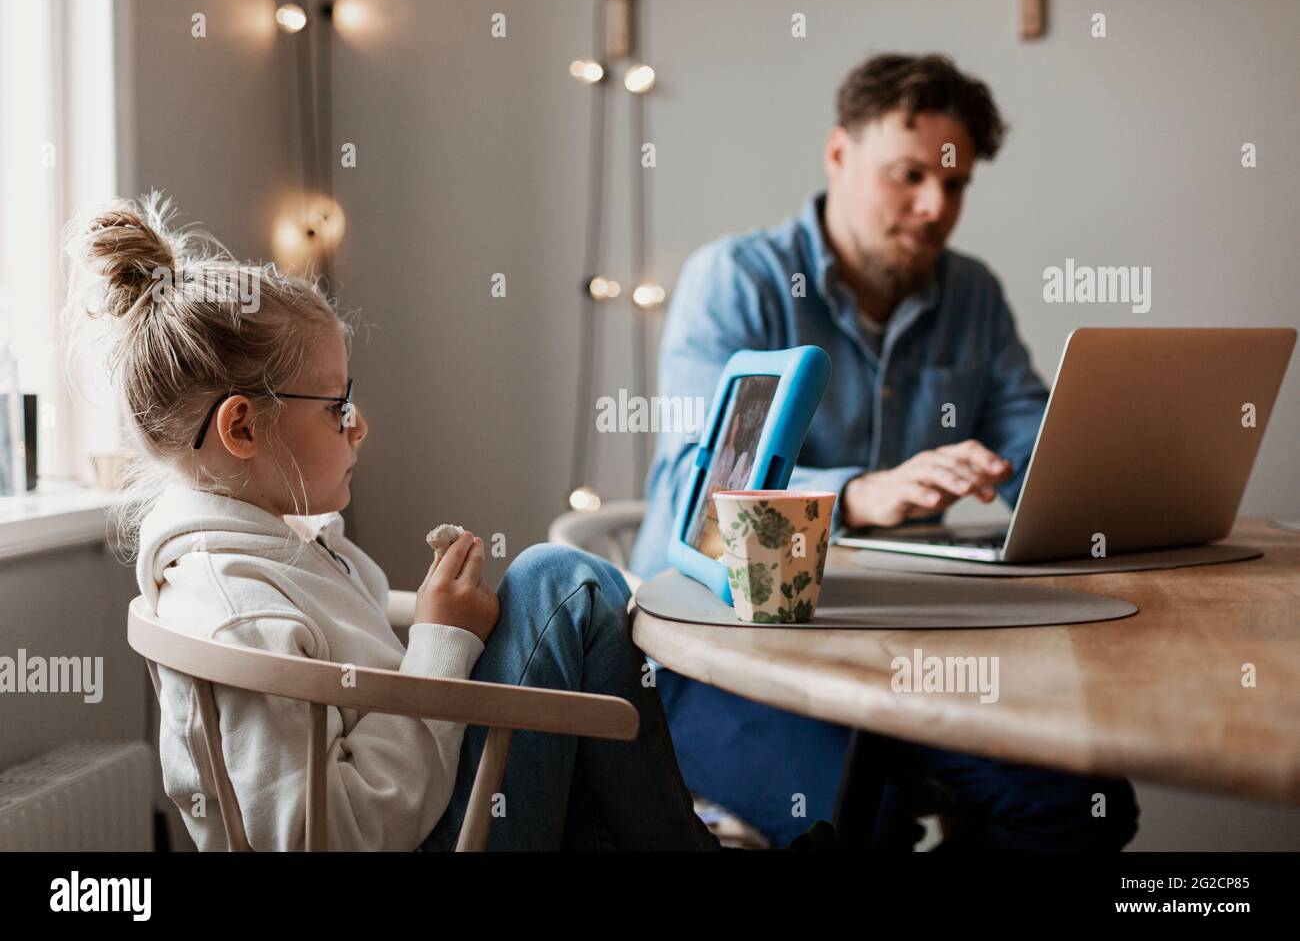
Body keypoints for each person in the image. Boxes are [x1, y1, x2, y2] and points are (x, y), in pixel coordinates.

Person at [66, 193, 719, 851]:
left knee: (559, 602)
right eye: (335, 406)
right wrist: (439, 643)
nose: (359, 424)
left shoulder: (270, 551)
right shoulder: (234, 608)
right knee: (564, 581)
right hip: (420, 838)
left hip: (432, 807)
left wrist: (444, 632)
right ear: (242, 426)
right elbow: (318, 836)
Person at [629, 53, 1139, 850]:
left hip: (905, 653)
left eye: (957, 183)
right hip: (725, 657)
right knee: (863, 818)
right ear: (839, 155)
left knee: (1082, 803)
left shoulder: (971, 295)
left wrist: (1107, 480)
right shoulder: (736, 281)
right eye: (909, 175)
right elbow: (697, 498)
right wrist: (860, 494)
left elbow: (1036, 443)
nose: (935, 206)